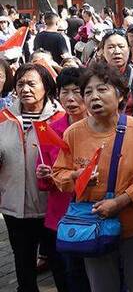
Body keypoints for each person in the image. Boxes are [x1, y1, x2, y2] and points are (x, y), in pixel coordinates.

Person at [52, 62, 133, 292]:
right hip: (93, 225)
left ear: (121, 96)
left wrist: (121, 201)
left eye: (102, 89)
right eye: (88, 92)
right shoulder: (73, 133)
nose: (94, 97)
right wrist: (76, 175)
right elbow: (58, 175)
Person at [0, 63, 65, 292]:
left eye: (31, 83)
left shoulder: (61, 119)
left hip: (51, 207)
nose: (25, 89)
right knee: (23, 262)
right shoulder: (4, 118)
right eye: (20, 84)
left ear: (46, 86)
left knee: (59, 263)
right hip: (14, 206)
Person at [37, 67, 91, 291]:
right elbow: (42, 184)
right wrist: (45, 176)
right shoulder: (51, 130)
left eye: (77, 91)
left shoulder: (102, 127)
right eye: (64, 92)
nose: (70, 98)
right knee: (69, 278)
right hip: (63, 218)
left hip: (94, 215)